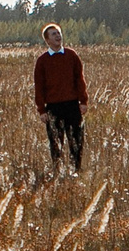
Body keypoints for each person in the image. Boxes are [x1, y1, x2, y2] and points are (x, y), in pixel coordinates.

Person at [33, 21, 89, 173]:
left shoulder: (71, 55)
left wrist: (83, 101)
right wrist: (41, 110)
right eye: (54, 34)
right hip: (53, 107)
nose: (58, 36)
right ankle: (57, 172)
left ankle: (75, 171)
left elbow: (80, 79)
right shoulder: (42, 61)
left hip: (72, 106)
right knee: (56, 143)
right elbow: (39, 87)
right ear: (47, 40)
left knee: (76, 141)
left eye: (58, 33)